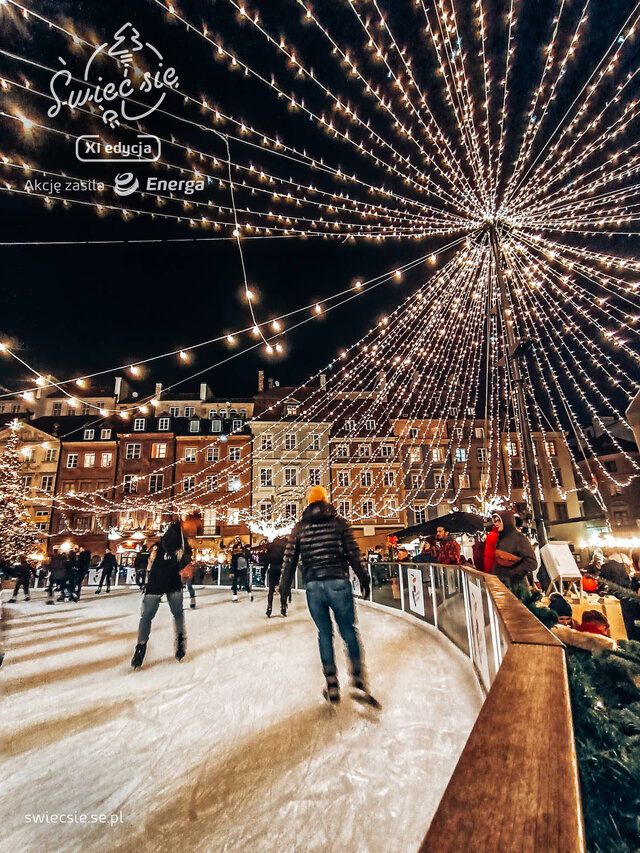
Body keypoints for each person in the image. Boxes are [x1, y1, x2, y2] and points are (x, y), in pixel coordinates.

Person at [279, 486, 376, 706]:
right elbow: (353, 553)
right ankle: (358, 678)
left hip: (314, 586)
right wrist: (364, 578)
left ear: (309, 502)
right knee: (348, 630)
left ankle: (332, 683)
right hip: (338, 582)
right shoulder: (339, 523)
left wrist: (284, 587)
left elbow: (289, 558)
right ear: (325, 499)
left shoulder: (300, 527)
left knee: (324, 633)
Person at [131, 520, 192, 669]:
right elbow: (186, 565)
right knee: (178, 615)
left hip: (155, 583)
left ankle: (140, 646)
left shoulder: (157, 547)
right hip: (173, 583)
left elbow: (149, 564)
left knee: (146, 617)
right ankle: (180, 642)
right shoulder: (181, 548)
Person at [489, 510, 537, 586]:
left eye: (499, 521)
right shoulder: (499, 538)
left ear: (507, 521)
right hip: (501, 583)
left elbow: (531, 562)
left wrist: (512, 573)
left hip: (516, 586)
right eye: (495, 521)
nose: (496, 524)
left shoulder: (519, 538)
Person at [264, 535, 288, 617]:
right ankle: (283, 607)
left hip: (273, 569)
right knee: (282, 589)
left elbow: (266, 560)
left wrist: (264, 571)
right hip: (282, 570)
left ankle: (269, 608)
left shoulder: (270, 547)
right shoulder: (284, 547)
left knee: (271, 590)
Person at [230, 537, 253, 602]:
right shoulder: (243, 554)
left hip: (236, 570)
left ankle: (235, 597)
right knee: (245, 583)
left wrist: (231, 572)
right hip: (243, 570)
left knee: (234, 583)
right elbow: (247, 561)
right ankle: (250, 593)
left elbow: (233, 564)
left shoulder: (234, 555)